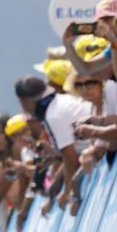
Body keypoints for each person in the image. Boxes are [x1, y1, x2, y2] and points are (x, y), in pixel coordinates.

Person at [14, 75, 92, 209]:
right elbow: (69, 153)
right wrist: (54, 153)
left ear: (24, 101)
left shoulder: (52, 116)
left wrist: (68, 193)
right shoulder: (61, 100)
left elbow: (70, 157)